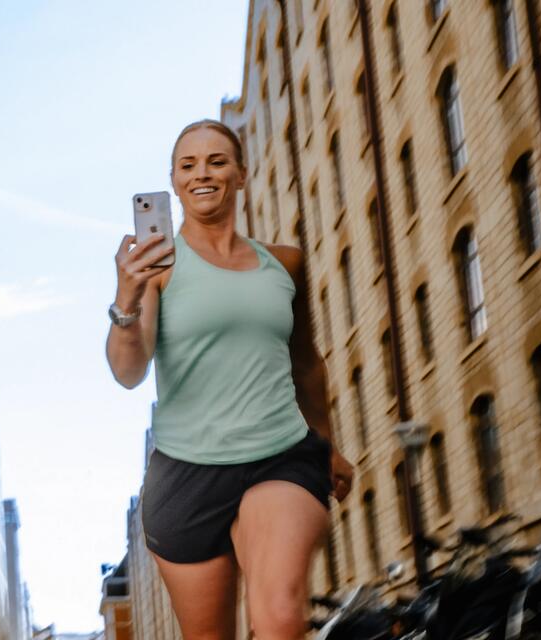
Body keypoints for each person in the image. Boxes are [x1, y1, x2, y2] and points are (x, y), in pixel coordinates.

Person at [104, 120, 355, 640]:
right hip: (187, 473)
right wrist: (126, 300)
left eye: (218, 161)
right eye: (188, 165)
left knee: (281, 619)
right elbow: (129, 371)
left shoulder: (284, 264)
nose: (204, 174)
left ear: (241, 173)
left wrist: (327, 443)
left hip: (280, 455)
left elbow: (305, 362)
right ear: (173, 182)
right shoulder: (159, 270)